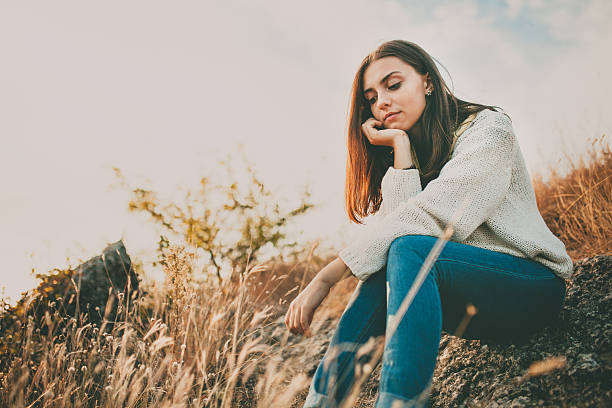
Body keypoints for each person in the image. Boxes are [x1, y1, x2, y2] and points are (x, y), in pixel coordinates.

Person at [284, 40, 573, 408]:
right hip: (473, 297)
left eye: (393, 85)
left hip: (531, 287)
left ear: (428, 83)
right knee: (391, 262)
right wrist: (401, 148)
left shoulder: (490, 130)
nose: (381, 103)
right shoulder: (417, 152)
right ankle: (321, 403)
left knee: (408, 247)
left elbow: (438, 217)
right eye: (371, 98)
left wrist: (328, 276)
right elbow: (398, 243)